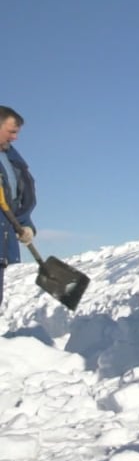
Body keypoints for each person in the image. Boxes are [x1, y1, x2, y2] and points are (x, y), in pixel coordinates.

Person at [0, 105, 37, 310]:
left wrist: (25, 224)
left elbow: (19, 197)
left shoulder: (11, 159)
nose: (15, 138)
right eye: (11, 131)